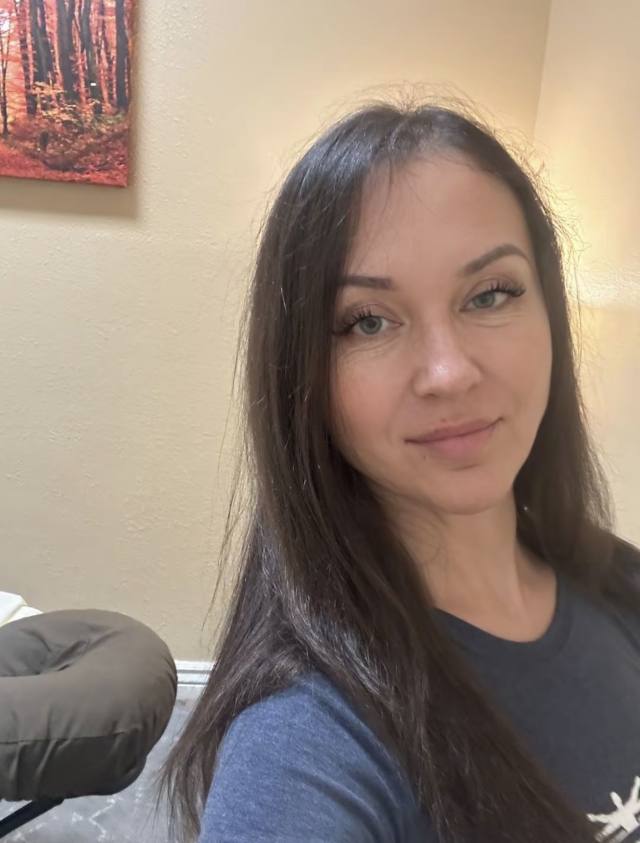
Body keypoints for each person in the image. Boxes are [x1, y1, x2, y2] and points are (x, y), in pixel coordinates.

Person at [157, 99, 640, 842]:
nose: (449, 372)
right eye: (368, 321)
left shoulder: (620, 586)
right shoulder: (306, 741)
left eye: (490, 294)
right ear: (303, 376)